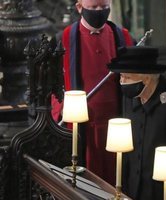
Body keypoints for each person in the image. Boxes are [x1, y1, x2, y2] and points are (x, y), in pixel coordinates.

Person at [51, 0, 134, 185]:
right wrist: (61, 108)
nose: (99, 12)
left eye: (104, 8)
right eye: (93, 8)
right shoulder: (62, 40)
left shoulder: (123, 37)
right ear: (79, 7)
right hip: (82, 128)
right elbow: (50, 86)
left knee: (117, 182)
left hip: (117, 126)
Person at [107, 46, 166, 200]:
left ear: (146, 78)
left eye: (127, 77)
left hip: (165, 191)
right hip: (132, 190)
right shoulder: (129, 98)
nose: (122, 82)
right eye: (121, 76)